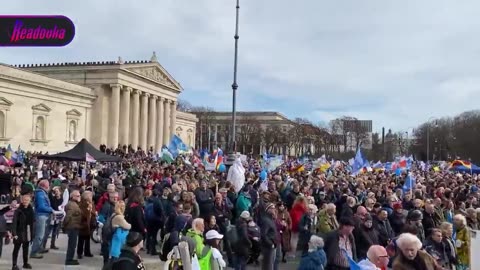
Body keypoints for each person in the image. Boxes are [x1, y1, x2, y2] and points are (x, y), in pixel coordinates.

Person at [30, 179, 53, 258]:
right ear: (45, 186)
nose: (49, 186)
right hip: (41, 216)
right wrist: (51, 210)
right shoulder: (40, 194)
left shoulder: (42, 193)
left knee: (43, 234)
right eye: (48, 185)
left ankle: (40, 248)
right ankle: (34, 252)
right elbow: (41, 207)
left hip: (44, 216)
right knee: (39, 235)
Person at [11, 192, 34, 270]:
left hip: (27, 231)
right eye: (24, 200)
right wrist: (14, 233)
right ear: (22, 200)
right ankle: (14, 265)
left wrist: (32, 234)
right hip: (19, 232)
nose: (25, 201)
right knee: (16, 249)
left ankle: (25, 263)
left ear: (30, 201)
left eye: (27, 200)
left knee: (26, 248)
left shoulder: (31, 210)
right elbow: (14, 223)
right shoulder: (18, 211)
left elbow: (33, 223)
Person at [63, 190, 82, 266]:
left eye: (79, 195)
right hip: (72, 227)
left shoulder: (75, 204)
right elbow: (68, 216)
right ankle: (69, 259)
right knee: (72, 244)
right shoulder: (71, 205)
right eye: (77, 196)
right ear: (72, 196)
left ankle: (70, 258)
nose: (79, 197)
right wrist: (65, 225)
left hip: (75, 226)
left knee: (73, 244)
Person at [260, 203, 279, 270]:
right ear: (267, 209)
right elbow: (263, 234)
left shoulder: (271, 219)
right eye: (272, 208)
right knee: (268, 265)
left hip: (272, 245)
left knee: (272, 264)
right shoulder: (265, 220)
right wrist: (270, 244)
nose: (274, 209)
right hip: (268, 247)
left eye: (274, 208)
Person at [77, 191, 95, 259]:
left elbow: (93, 212)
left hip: (89, 223)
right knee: (81, 239)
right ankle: (79, 253)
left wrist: (93, 213)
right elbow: (82, 213)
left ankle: (87, 251)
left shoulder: (92, 203)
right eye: (90, 196)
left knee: (87, 239)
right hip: (83, 223)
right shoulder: (82, 204)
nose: (91, 197)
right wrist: (88, 210)